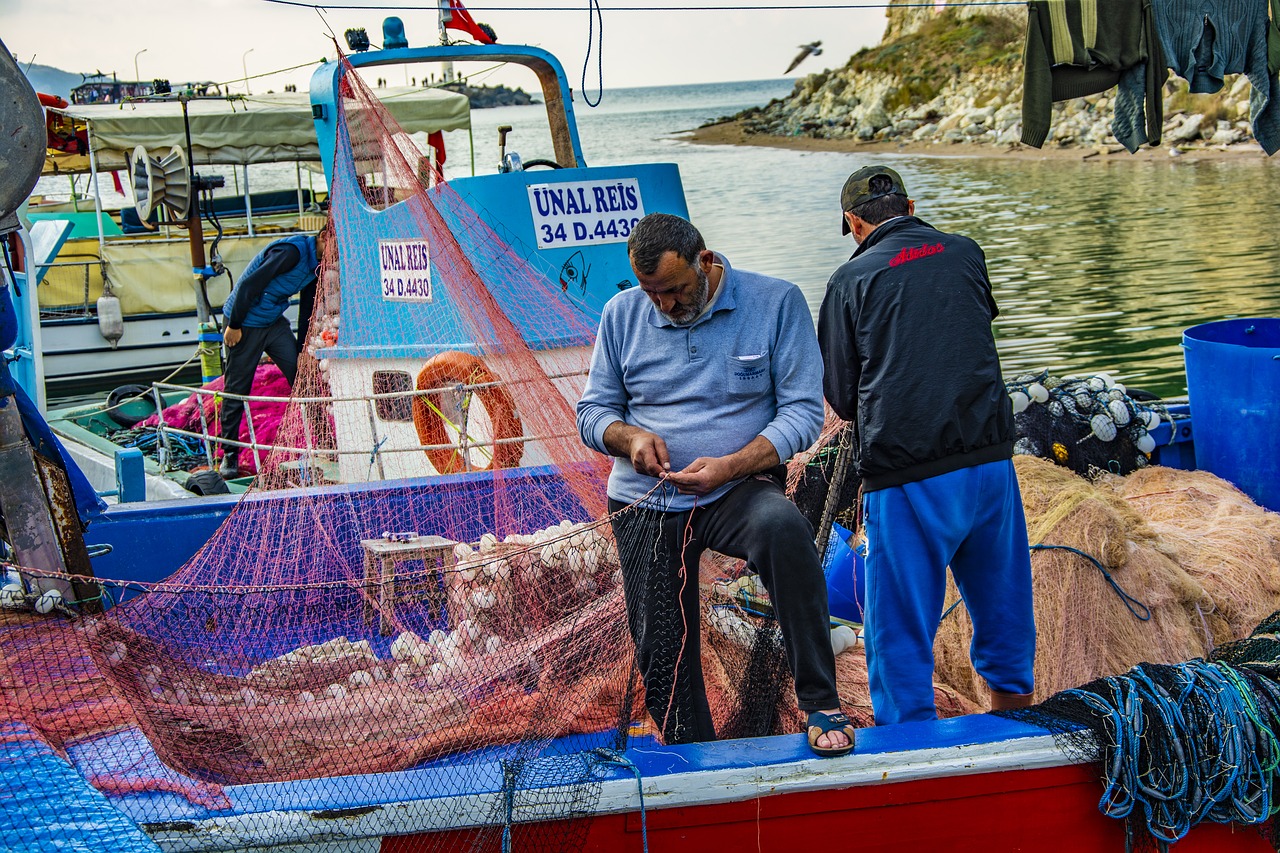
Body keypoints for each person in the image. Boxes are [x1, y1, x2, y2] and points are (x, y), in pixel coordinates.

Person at [576, 212, 854, 757]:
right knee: (661, 646)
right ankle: (694, 753)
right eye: (651, 292)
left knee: (784, 530)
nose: (665, 306)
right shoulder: (620, 314)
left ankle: (821, 701)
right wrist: (627, 436)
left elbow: (802, 413)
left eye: (676, 291)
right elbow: (592, 412)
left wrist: (732, 464)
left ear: (706, 262)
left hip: (736, 488)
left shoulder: (776, 302)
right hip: (647, 499)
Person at [817, 166, 1037, 725]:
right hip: (989, 465)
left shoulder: (849, 281)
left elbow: (841, 396)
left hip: (908, 475)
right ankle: (1016, 733)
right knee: (1004, 610)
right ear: (910, 206)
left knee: (900, 635)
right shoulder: (966, 251)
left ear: (853, 222)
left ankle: (912, 758)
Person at [217, 226, 326, 478]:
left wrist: (301, 350)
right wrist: (234, 325)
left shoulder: (317, 266)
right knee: (237, 387)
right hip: (244, 321)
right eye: (335, 247)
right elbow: (248, 286)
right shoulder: (291, 252)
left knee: (302, 378)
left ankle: (324, 441)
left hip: (273, 322)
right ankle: (229, 454)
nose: (337, 255)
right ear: (322, 238)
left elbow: (306, 308)